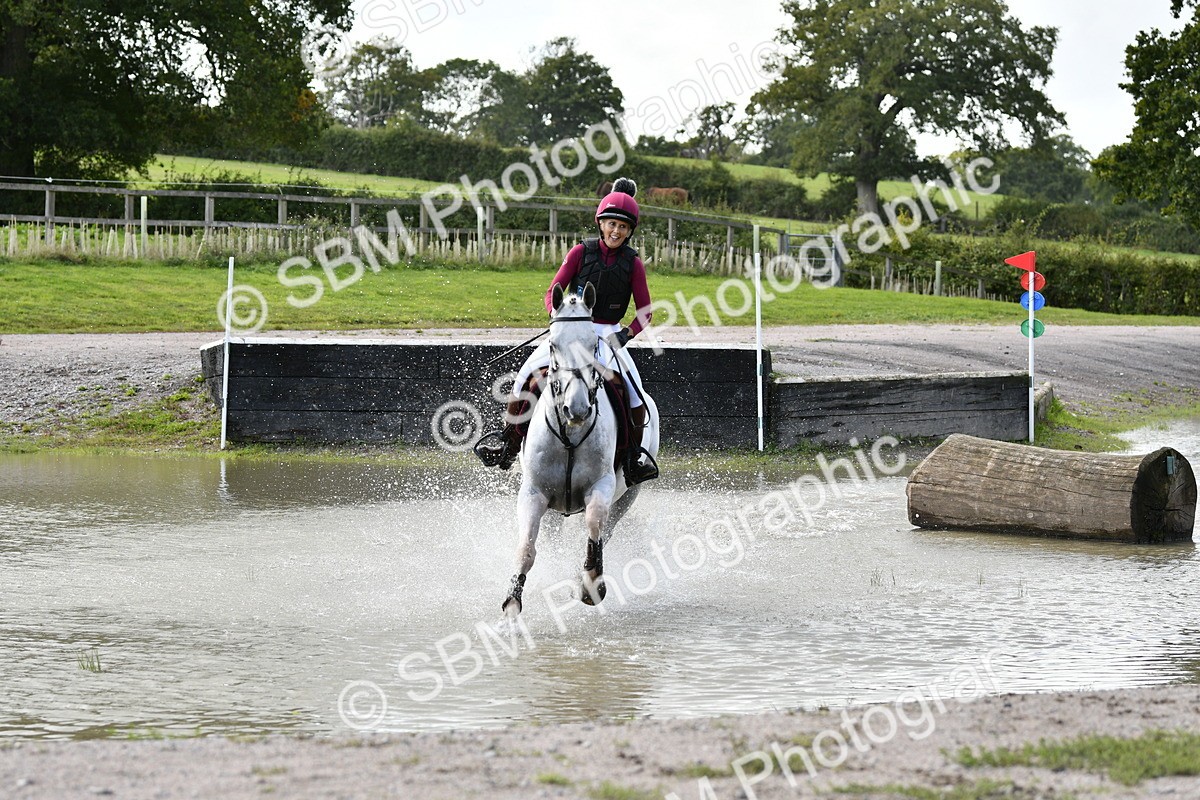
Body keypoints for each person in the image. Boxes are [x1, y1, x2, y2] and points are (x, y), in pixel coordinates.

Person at [475, 177, 659, 485]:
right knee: (525, 376)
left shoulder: (633, 264)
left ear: (630, 231)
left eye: (623, 227)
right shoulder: (579, 253)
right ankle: (508, 442)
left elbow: (646, 311)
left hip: (608, 336)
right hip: (571, 328)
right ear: (601, 224)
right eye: (611, 224)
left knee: (634, 395)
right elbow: (552, 291)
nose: (616, 231)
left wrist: (626, 334)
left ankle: (632, 459)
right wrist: (557, 316)